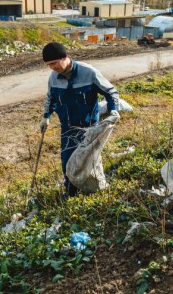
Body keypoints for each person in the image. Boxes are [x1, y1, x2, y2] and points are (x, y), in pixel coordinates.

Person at [40, 42, 120, 197]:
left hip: (89, 128)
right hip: (68, 129)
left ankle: (95, 192)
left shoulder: (88, 73)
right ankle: (71, 194)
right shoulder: (54, 78)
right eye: (48, 65)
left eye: (54, 63)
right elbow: (51, 98)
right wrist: (46, 117)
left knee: (89, 162)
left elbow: (111, 92)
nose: (52, 68)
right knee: (68, 163)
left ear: (64, 58)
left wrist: (114, 110)